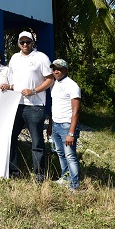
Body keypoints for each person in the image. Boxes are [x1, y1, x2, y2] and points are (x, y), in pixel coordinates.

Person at [8, 31, 54, 180]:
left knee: (37, 142)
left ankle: (39, 175)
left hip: (35, 106)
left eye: (28, 42)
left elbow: (50, 79)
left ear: (33, 42)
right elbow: (11, 80)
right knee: (11, 139)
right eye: (22, 42)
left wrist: (34, 91)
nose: (25, 45)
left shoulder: (41, 57)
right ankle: (13, 172)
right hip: (16, 105)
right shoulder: (14, 58)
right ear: (19, 44)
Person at [47, 59, 81, 190]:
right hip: (56, 124)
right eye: (54, 69)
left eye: (59, 69)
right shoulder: (55, 84)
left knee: (70, 156)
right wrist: (50, 125)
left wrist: (71, 133)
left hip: (67, 126)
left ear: (66, 70)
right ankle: (65, 178)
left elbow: (76, 111)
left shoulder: (72, 86)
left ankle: (74, 185)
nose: (56, 71)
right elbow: (53, 107)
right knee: (60, 153)